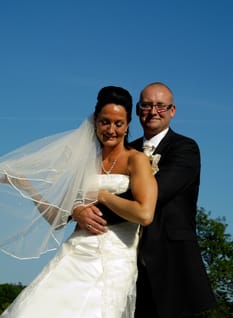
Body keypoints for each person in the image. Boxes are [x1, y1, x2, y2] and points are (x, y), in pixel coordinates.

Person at [0, 85, 158, 318]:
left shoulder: (136, 160)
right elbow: (57, 219)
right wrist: (24, 184)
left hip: (113, 260)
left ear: (127, 125)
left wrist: (101, 195)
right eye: (105, 122)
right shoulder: (84, 161)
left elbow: (145, 213)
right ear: (95, 121)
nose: (111, 130)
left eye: (118, 124)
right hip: (75, 253)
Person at [74, 82, 217, 318]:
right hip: (122, 260)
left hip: (169, 264)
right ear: (138, 111)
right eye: (147, 105)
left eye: (160, 106)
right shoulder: (123, 149)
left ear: (172, 111)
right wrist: (77, 210)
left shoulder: (185, 149)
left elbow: (153, 197)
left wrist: (94, 206)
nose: (153, 111)